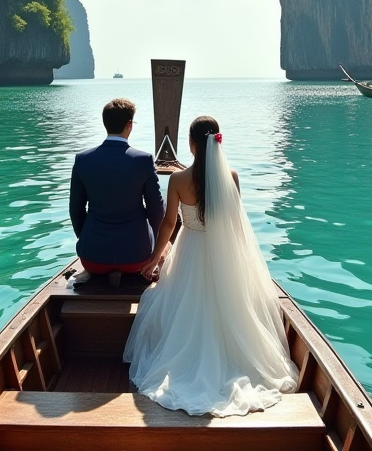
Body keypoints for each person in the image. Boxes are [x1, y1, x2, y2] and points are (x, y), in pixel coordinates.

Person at [123, 115, 297, 417]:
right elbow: (235, 225)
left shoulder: (177, 179)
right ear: (218, 140)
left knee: (173, 304)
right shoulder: (232, 176)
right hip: (221, 253)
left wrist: (154, 258)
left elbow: (168, 224)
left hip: (189, 250)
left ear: (190, 144)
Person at [69, 98, 165, 284]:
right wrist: (155, 247)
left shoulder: (83, 160)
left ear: (105, 123)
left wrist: (87, 238)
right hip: (136, 258)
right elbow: (157, 210)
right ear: (130, 125)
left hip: (93, 258)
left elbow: (75, 209)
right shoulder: (143, 160)